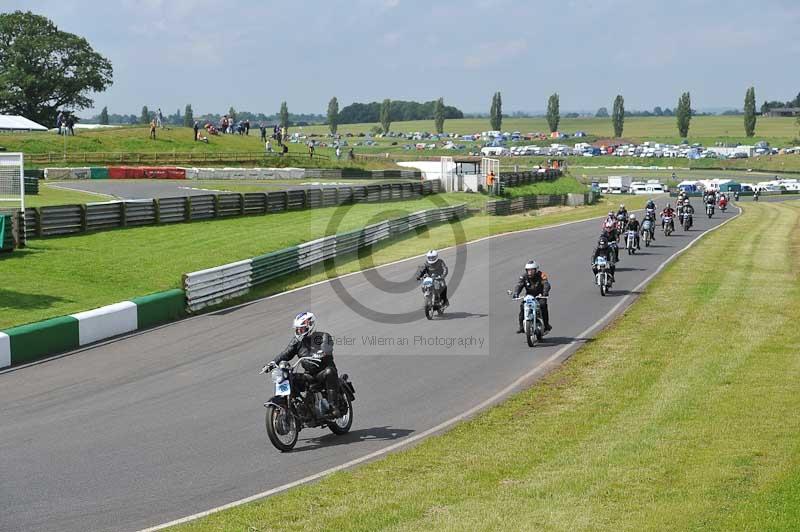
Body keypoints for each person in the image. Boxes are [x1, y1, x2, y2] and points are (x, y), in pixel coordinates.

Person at [265, 312, 341, 417]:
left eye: (301, 329)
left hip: (322, 373)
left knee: (330, 372)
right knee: (289, 377)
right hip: (309, 375)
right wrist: (272, 363)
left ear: (310, 326)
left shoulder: (323, 336)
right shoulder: (297, 341)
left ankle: (333, 406)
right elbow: (286, 353)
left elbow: (327, 347)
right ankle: (296, 406)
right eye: (297, 329)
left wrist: (322, 353)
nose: (299, 331)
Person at [512, 260, 552, 333]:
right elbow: (519, 285)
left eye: (532, 270)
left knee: (543, 305)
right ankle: (521, 327)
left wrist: (545, 293)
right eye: (528, 270)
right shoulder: (524, 277)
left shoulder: (541, 275)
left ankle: (546, 325)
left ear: (536, 270)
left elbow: (546, 284)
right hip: (529, 296)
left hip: (540, 295)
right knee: (522, 307)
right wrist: (516, 293)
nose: (530, 272)